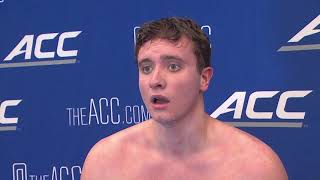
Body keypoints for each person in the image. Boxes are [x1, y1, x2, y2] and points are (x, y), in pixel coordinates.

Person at [81, 17, 288, 180]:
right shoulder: (104, 162)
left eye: (173, 66)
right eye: (146, 68)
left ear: (204, 78)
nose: (155, 80)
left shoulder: (256, 167)